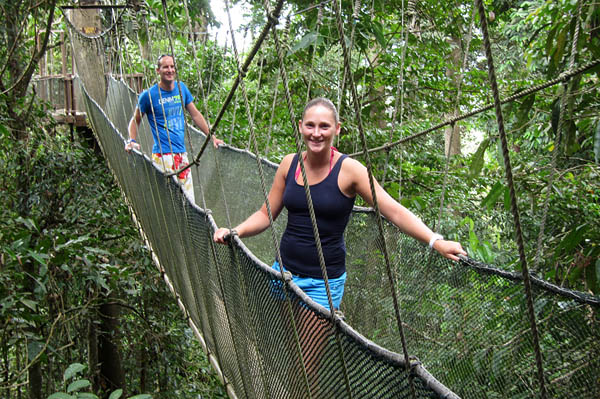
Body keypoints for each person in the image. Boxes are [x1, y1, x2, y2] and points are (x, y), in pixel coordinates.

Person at [213, 97, 466, 310]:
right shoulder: (289, 164)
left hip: (323, 283)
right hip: (283, 272)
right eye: (310, 125)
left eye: (324, 126)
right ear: (300, 127)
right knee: (287, 352)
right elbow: (266, 214)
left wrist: (435, 241)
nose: (316, 133)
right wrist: (236, 231)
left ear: (337, 129)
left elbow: (394, 211)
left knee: (308, 364)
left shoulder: (351, 171)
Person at [125, 54, 223, 202]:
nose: (170, 70)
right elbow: (135, 119)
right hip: (162, 157)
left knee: (189, 203)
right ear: (158, 70)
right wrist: (131, 140)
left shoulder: (181, 88)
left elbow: (195, 115)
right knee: (168, 203)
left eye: (172, 66)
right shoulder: (148, 96)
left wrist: (212, 137)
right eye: (165, 67)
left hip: (181, 156)